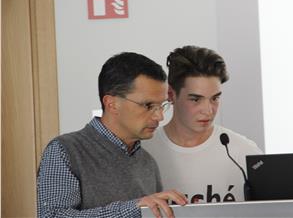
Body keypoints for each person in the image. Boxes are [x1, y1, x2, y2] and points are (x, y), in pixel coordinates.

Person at [37, 52, 187, 218]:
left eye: (161, 105)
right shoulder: (64, 151)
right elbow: (52, 216)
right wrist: (133, 210)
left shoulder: (148, 162)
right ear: (111, 104)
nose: (160, 116)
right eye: (148, 105)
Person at [143, 45, 263, 204]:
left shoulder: (244, 152)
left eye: (215, 98)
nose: (208, 111)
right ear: (171, 94)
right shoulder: (143, 152)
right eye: (195, 99)